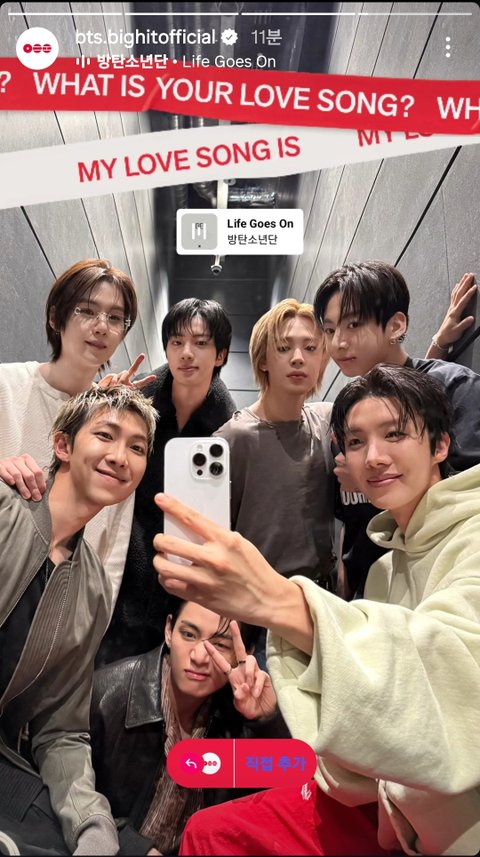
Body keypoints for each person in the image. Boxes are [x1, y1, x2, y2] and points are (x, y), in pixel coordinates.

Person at [152, 365, 480, 857]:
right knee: (210, 830)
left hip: (445, 814)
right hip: (385, 797)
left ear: (440, 445)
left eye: (394, 434)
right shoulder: (385, 568)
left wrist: (274, 599)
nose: (374, 456)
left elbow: (452, 670)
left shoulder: (470, 535)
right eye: (356, 441)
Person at [0, 385, 157, 856]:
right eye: (105, 435)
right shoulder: (6, 509)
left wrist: (90, 819)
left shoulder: (92, 589)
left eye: (137, 448)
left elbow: (61, 729)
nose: (120, 457)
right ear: (63, 445)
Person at [314, 261, 480, 599]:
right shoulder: (347, 417)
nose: (339, 343)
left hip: (439, 581)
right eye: (329, 330)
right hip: (372, 591)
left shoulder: (453, 388)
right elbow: (351, 518)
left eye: (353, 324)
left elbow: (466, 491)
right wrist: (346, 579)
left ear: (396, 325)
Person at [0, 258, 154, 608]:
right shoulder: (6, 386)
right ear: (56, 317)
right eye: (86, 310)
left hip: (60, 612)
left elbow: (111, 548)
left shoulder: (116, 428)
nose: (101, 327)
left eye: (115, 318)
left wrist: (91, 622)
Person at [97, 298, 236, 664]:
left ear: (221, 355)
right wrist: (101, 402)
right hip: (123, 556)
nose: (187, 353)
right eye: (177, 342)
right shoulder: (137, 397)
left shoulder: (228, 427)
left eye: (201, 343)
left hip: (185, 568)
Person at [91, 600, 281, 855]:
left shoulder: (235, 716)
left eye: (220, 645)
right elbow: (63, 800)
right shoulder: (106, 696)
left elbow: (275, 812)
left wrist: (266, 721)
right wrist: (134, 848)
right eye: (189, 634)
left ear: (245, 653)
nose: (199, 657)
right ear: (169, 630)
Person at [214, 299, 335, 585]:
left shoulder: (328, 420)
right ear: (263, 360)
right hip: (256, 594)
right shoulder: (233, 438)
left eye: (311, 348)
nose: (298, 358)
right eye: (283, 348)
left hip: (320, 595)